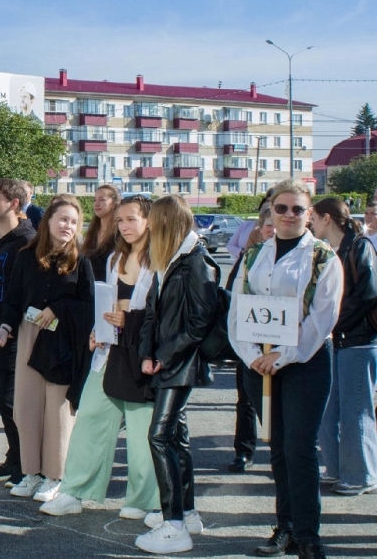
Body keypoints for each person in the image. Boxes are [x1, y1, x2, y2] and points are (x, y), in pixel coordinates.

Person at [229, 181, 343, 559]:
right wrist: (252, 356)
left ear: (310, 214)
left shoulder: (324, 257)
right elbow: (239, 310)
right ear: (271, 212)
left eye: (297, 209)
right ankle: (287, 527)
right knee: (277, 449)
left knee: (300, 449)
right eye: (282, 208)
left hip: (305, 363)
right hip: (259, 365)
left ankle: (309, 535)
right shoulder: (253, 255)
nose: (289, 215)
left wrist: (283, 354)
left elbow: (322, 317)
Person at [41, 196, 160, 521]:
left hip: (142, 357)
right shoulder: (114, 259)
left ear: (149, 220)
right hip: (109, 352)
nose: (124, 226)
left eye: (131, 219)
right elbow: (107, 303)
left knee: (140, 431)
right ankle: (74, 491)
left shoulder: (160, 260)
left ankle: (143, 500)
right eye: (120, 220)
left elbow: (160, 314)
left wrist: (130, 321)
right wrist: (98, 330)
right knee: (91, 416)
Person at [0, 194, 95, 503]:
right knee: (26, 409)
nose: (68, 226)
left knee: (58, 413)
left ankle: (55, 476)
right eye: (63, 219)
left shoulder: (82, 259)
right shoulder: (26, 256)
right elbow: (13, 298)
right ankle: (31, 472)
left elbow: (89, 304)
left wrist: (59, 308)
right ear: (48, 219)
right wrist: (6, 326)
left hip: (62, 341)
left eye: (74, 222)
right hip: (29, 335)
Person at [135, 195, 217, 555]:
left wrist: (163, 357)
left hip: (182, 363)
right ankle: (187, 513)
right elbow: (152, 312)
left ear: (167, 222)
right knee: (176, 437)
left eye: (153, 220)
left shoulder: (197, 261)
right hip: (167, 361)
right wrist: (146, 354)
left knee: (160, 436)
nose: (147, 226)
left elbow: (200, 322)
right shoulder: (167, 259)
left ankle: (174, 524)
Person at [310, 199, 377, 497]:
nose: (310, 223)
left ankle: (363, 474)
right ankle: (338, 469)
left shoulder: (359, 246)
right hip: (342, 340)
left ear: (327, 218)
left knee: (356, 410)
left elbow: (369, 294)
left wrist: (336, 322)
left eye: (312, 217)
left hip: (359, 341)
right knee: (332, 408)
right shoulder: (335, 250)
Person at [0, 179, 35, 487]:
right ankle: (14, 458)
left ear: (13, 204)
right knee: (3, 399)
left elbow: (24, 291)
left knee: (14, 401)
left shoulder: (26, 240)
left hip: (12, 333)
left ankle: (26, 463)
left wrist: (8, 325)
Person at [225, 203, 275, 473]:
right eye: (269, 226)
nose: (274, 231)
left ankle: (281, 451)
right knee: (245, 399)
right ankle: (243, 451)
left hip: (284, 345)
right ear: (261, 227)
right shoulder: (250, 256)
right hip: (251, 341)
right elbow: (232, 295)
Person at [83, 184, 121, 283]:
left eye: (102, 200)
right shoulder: (92, 232)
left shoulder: (120, 232)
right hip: (89, 288)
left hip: (110, 289)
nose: (96, 203)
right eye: (95, 200)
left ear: (113, 204)